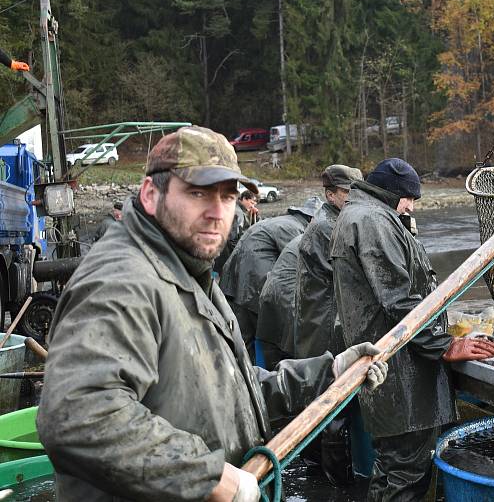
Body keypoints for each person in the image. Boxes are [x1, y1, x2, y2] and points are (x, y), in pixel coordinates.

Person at [36, 125, 388, 501]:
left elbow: (229, 388)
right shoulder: (123, 281)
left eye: (227, 195)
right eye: (197, 193)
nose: (217, 212)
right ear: (151, 194)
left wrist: (327, 373)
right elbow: (78, 415)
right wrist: (213, 478)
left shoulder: (190, 271)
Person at [330, 158, 494, 501]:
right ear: (392, 193)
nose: (411, 206)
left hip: (391, 370)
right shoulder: (373, 220)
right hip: (401, 376)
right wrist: (445, 345)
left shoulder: (364, 214)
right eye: (409, 198)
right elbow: (398, 301)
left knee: (392, 468)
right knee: (405, 472)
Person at [220, 196, 322, 360]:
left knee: (240, 336)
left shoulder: (281, 221)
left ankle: (243, 371)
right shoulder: (296, 230)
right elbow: (294, 265)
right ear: (312, 218)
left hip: (234, 281)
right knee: (267, 336)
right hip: (253, 283)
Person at [294, 164, 363, 359]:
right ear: (330, 195)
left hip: (327, 315)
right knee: (327, 377)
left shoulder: (339, 220)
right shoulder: (327, 226)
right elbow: (356, 272)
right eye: (347, 192)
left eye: (357, 191)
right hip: (324, 319)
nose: (354, 197)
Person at [256, 234, 302, 369]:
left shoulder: (300, 237)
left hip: (270, 293)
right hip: (287, 297)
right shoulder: (316, 236)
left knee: (269, 347)